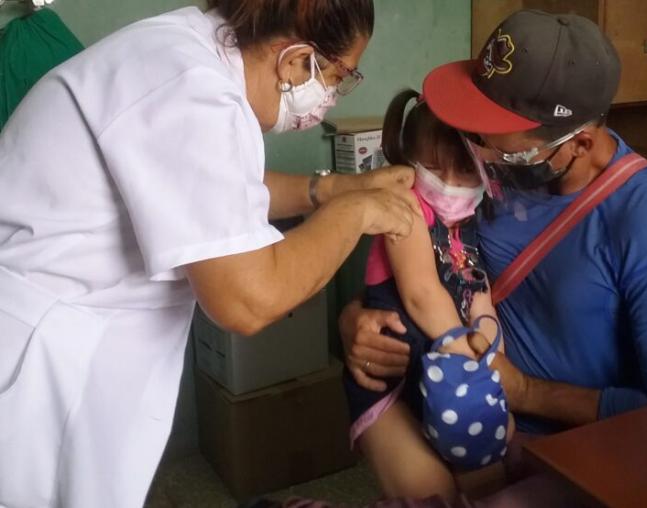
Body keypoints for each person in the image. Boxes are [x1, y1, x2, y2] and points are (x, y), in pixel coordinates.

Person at [0, 1, 418, 507]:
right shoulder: (190, 89)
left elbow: (220, 187)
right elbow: (248, 299)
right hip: (39, 360)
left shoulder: (189, 55)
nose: (330, 95)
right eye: (338, 76)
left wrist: (338, 190)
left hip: (70, 331)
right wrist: (356, 214)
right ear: (296, 61)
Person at [340, 8, 647, 500]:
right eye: (475, 134)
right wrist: (354, 319)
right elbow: (429, 266)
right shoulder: (492, 176)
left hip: (571, 451)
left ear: (577, 143)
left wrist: (524, 392)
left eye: (496, 142)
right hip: (452, 398)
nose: (479, 156)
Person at [342, 89, 514, 499]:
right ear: (409, 163)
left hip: (450, 375)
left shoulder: (469, 220)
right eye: (435, 169)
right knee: (432, 494)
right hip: (393, 381)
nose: (449, 185)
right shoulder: (404, 207)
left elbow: (478, 294)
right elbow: (420, 292)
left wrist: (494, 359)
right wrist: (465, 352)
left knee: (488, 476)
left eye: (464, 173)